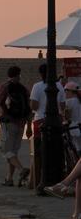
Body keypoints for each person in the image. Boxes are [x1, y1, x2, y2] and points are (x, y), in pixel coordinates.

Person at [29, 63, 66, 193]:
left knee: (39, 152)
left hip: (40, 120)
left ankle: (39, 179)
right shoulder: (60, 86)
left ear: (40, 74)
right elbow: (62, 105)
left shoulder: (37, 86)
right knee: (56, 149)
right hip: (57, 121)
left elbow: (33, 106)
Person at [0, 66, 32, 187]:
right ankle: (9, 179)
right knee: (13, 152)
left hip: (8, 123)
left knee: (5, 150)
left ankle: (21, 170)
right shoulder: (24, 88)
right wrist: (29, 127)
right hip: (21, 124)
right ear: (19, 75)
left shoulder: (4, 86)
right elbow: (29, 108)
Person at [63, 82, 81, 153]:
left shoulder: (69, 102)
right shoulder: (79, 101)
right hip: (79, 127)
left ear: (69, 91)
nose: (65, 93)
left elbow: (67, 116)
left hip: (74, 128)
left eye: (66, 91)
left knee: (77, 150)